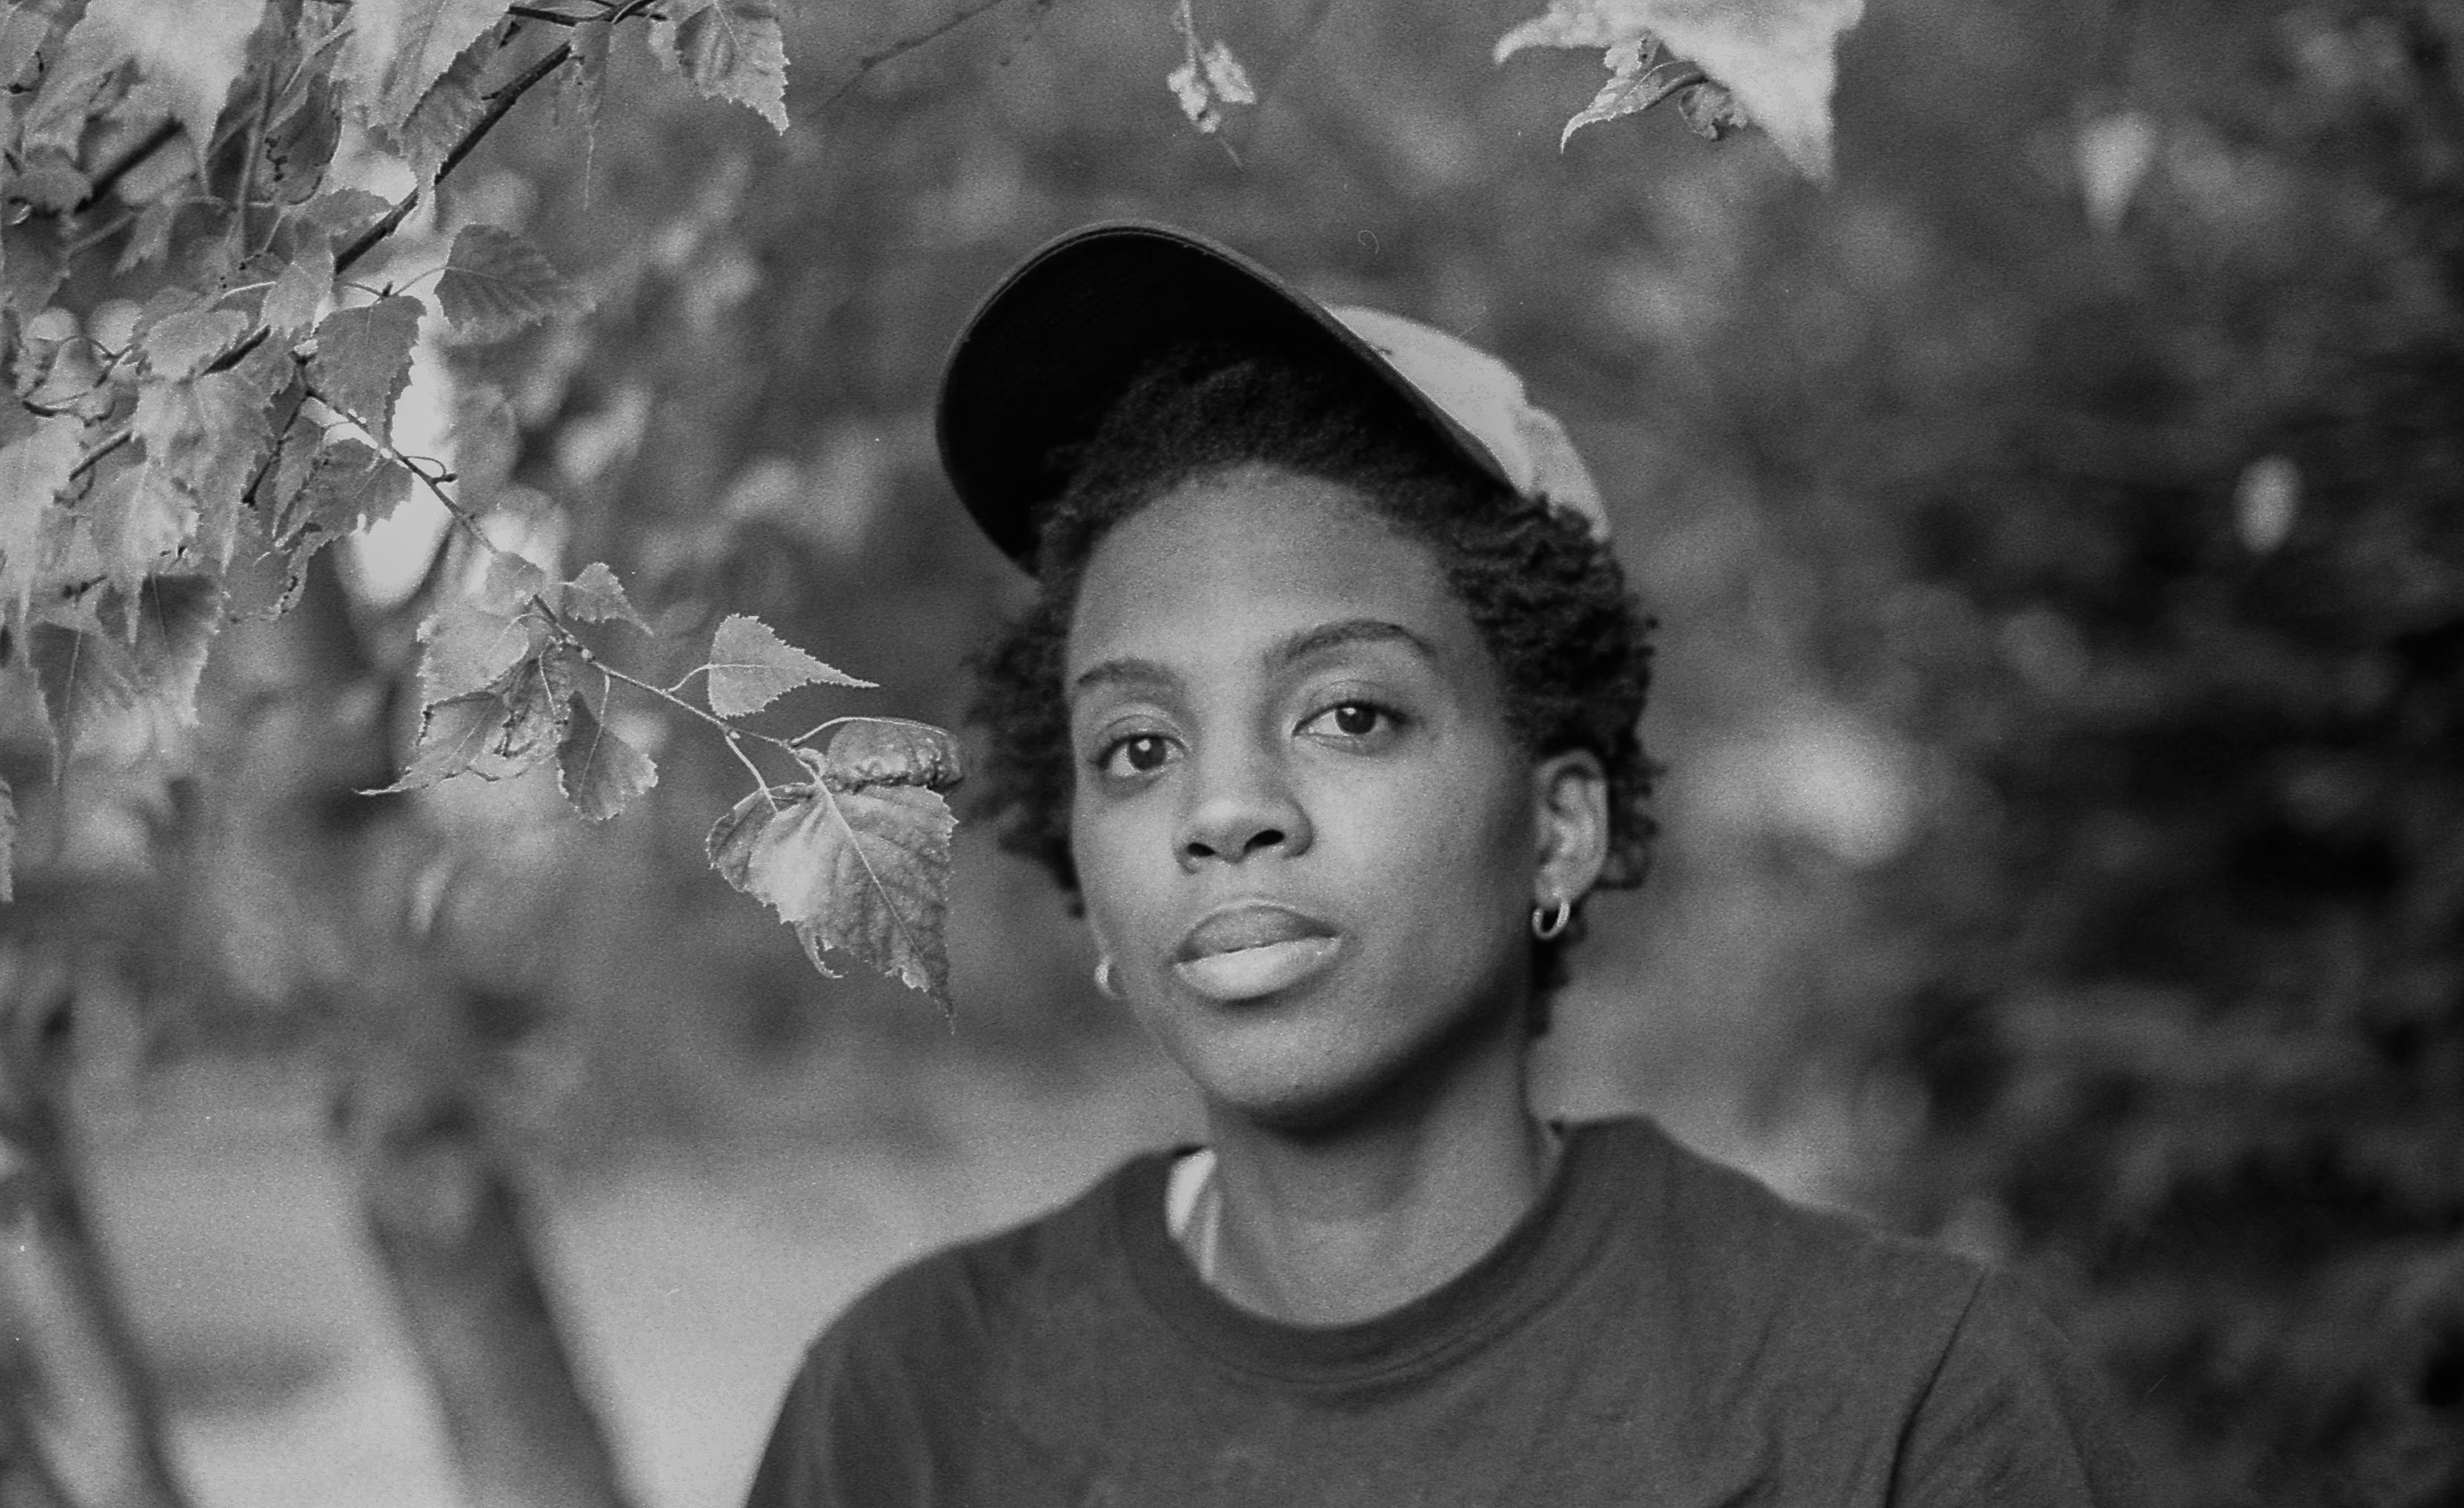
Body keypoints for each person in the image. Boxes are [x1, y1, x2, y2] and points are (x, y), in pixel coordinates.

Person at [743, 222, 2151, 1507]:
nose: (1223, 809)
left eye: (1349, 715)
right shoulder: (909, 1411)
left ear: (1559, 826)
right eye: (1137, 748)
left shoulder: (1902, 1412)